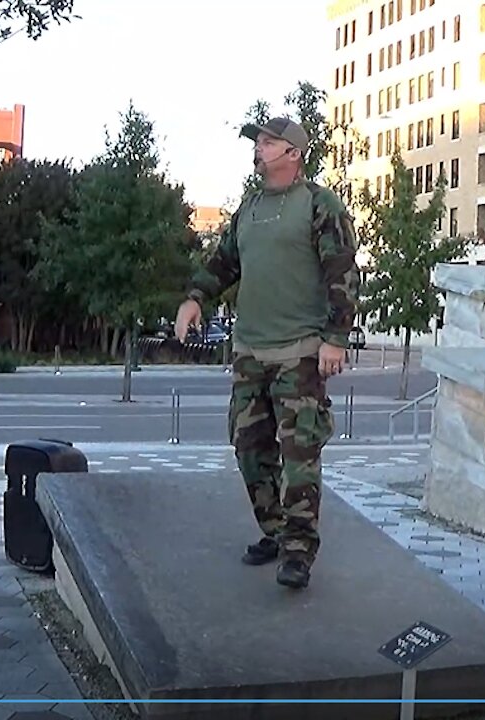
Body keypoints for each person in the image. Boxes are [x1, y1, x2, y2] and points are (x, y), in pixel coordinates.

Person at [176, 117, 360, 590]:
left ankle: (299, 550)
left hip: (300, 351)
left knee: (299, 454)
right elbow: (224, 262)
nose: (259, 148)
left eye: (268, 141)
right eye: (257, 141)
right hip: (250, 352)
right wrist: (196, 298)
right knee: (249, 448)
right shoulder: (250, 207)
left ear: (293, 153)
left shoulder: (320, 205)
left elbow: (341, 270)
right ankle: (276, 532)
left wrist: (335, 338)